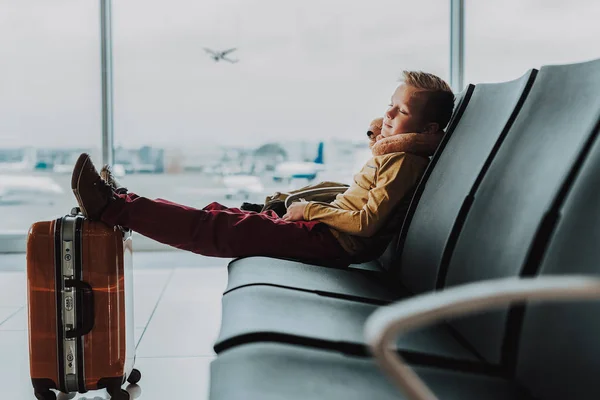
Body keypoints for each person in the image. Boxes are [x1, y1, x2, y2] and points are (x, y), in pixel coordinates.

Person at [70, 71, 454, 267]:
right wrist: (293, 201)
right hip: (326, 232)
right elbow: (350, 197)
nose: (387, 114)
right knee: (221, 215)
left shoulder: (403, 162)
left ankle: (114, 207)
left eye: (400, 112)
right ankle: (122, 201)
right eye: (390, 104)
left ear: (428, 130)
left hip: (332, 241)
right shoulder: (392, 156)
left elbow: (367, 222)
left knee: (217, 228)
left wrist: (309, 209)